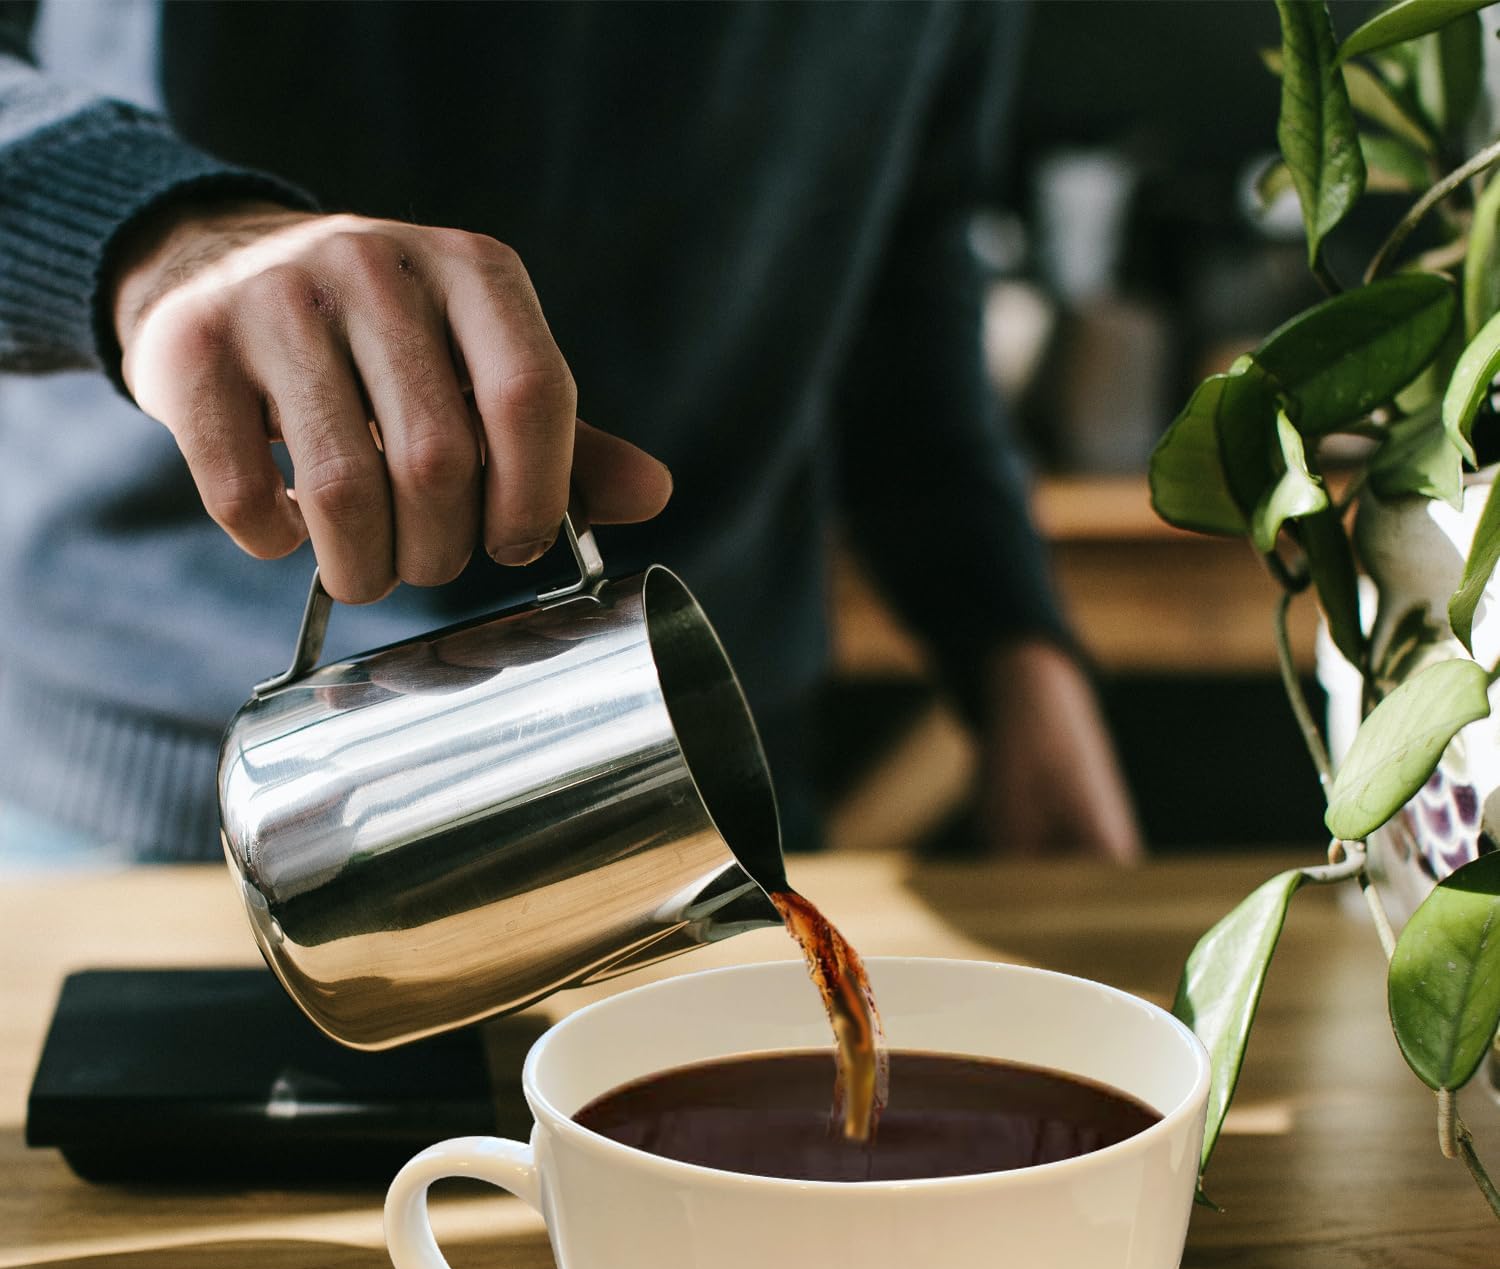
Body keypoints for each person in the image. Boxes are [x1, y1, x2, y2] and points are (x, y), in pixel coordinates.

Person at [0, 0, 1139, 863]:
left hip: (704, 769)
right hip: (177, 802)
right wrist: (155, 235)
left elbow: (899, 240)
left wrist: (1008, 647)